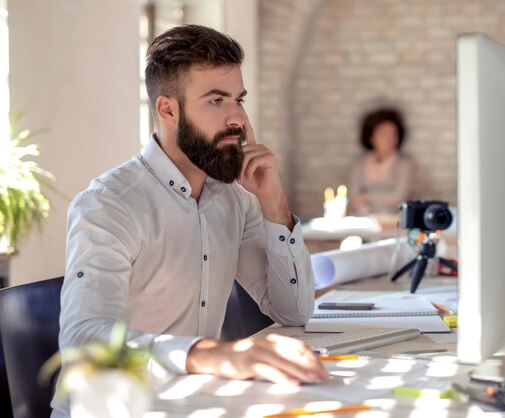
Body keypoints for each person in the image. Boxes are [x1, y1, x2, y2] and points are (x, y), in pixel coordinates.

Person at [52, 25, 328, 417]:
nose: (237, 118)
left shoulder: (235, 199)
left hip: (193, 404)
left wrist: (274, 205)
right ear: (168, 109)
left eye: (239, 99)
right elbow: (87, 344)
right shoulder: (108, 205)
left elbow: (293, 313)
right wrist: (216, 354)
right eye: (217, 101)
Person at [347, 108, 413, 216]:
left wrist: (366, 197)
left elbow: (398, 198)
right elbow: (354, 198)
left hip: (394, 221)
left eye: (393, 134)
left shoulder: (404, 164)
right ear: (371, 137)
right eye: (384, 134)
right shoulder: (359, 164)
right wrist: (368, 212)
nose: (389, 139)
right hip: (363, 219)